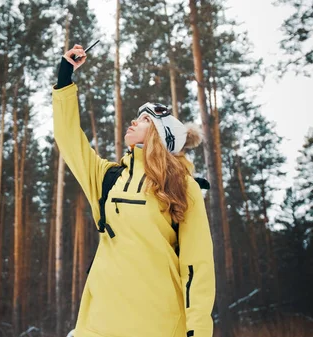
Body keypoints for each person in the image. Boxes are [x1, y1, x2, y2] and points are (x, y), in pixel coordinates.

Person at [52, 44, 216, 337]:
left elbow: (196, 265)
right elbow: (68, 139)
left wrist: (198, 329)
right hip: (99, 324)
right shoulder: (109, 178)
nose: (133, 121)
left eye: (144, 120)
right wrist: (65, 78)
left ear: (159, 133)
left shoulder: (182, 186)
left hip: (160, 326)